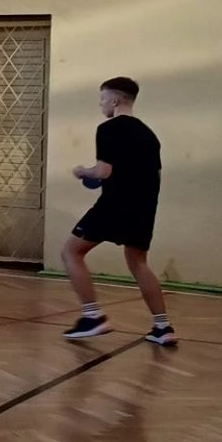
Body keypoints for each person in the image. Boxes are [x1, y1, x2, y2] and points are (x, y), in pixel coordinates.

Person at [60, 76, 175, 344]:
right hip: (144, 207)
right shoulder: (149, 135)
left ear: (114, 100)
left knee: (71, 251)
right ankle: (163, 328)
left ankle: (93, 317)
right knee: (139, 263)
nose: (101, 104)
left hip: (114, 204)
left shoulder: (108, 128)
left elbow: (103, 171)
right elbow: (156, 176)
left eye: (102, 99)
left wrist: (82, 171)